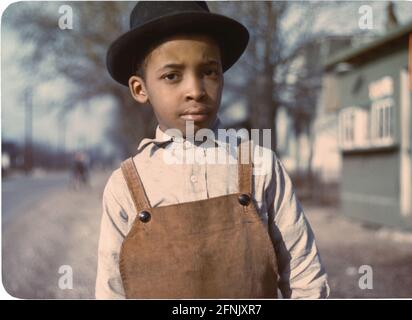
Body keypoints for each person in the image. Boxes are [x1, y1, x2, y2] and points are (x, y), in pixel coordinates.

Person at [96, 1, 329, 299]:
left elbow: (304, 274)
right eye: (172, 76)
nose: (195, 89)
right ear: (141, 89)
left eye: (209, 71)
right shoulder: (126, 186)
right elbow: (111, 289)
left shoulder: (260, 165)